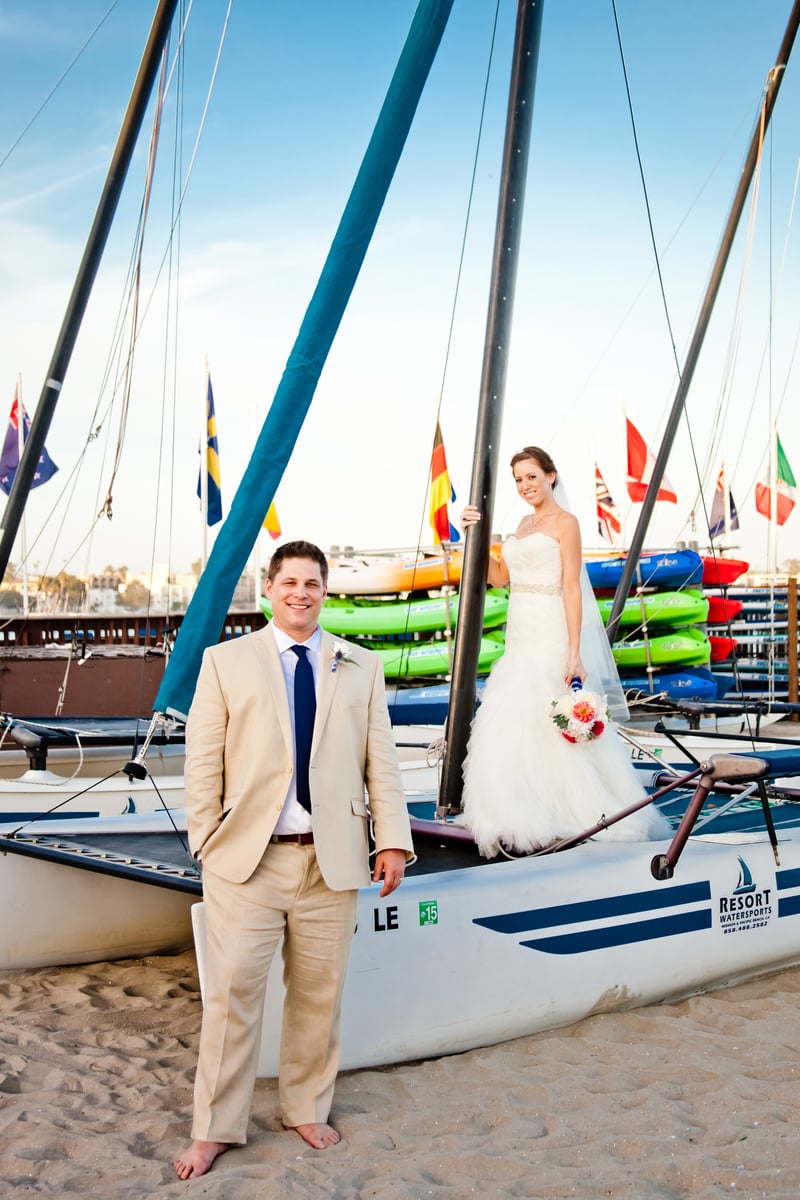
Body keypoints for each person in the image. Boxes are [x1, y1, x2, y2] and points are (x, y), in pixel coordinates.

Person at [174, 539, 414, 1180]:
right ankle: (214, 1128)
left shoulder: (360, 665)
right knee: (231, 997)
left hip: (330, 862)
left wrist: (391, 839)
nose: (300, 594)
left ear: (324, 592)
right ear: (270, 589)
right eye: (290, 583)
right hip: (246, 863)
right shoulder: (225, 661)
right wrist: (206, 840)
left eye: (312, 584)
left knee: (318, 997)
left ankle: (305, 1108)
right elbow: (202, 761)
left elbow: (381, 762)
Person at [458, 446, 671, 858]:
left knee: (550, 717)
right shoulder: (522, 524)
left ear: (550, 476)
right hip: (520, 633)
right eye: (518, 480)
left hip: (552, 631)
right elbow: (499, 578)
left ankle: (579, 809)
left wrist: (574, 654)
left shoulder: (566, 523)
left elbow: (572, 588)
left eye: (531, 477)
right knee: (514, 717)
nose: (525, 486)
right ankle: (520, 805)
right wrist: (474, 535)